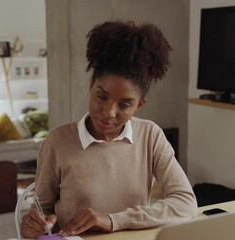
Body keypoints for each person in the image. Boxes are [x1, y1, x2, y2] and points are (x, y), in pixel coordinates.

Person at [20, 20, 197, 238]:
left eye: (124, 105)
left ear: (139, 105)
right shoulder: (58, 141)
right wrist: (34, 223)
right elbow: (41, 207)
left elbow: (185, 202)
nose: (108, 112)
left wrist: (113, 220)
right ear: (90, 88)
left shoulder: (150, 136)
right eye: (102, 96)